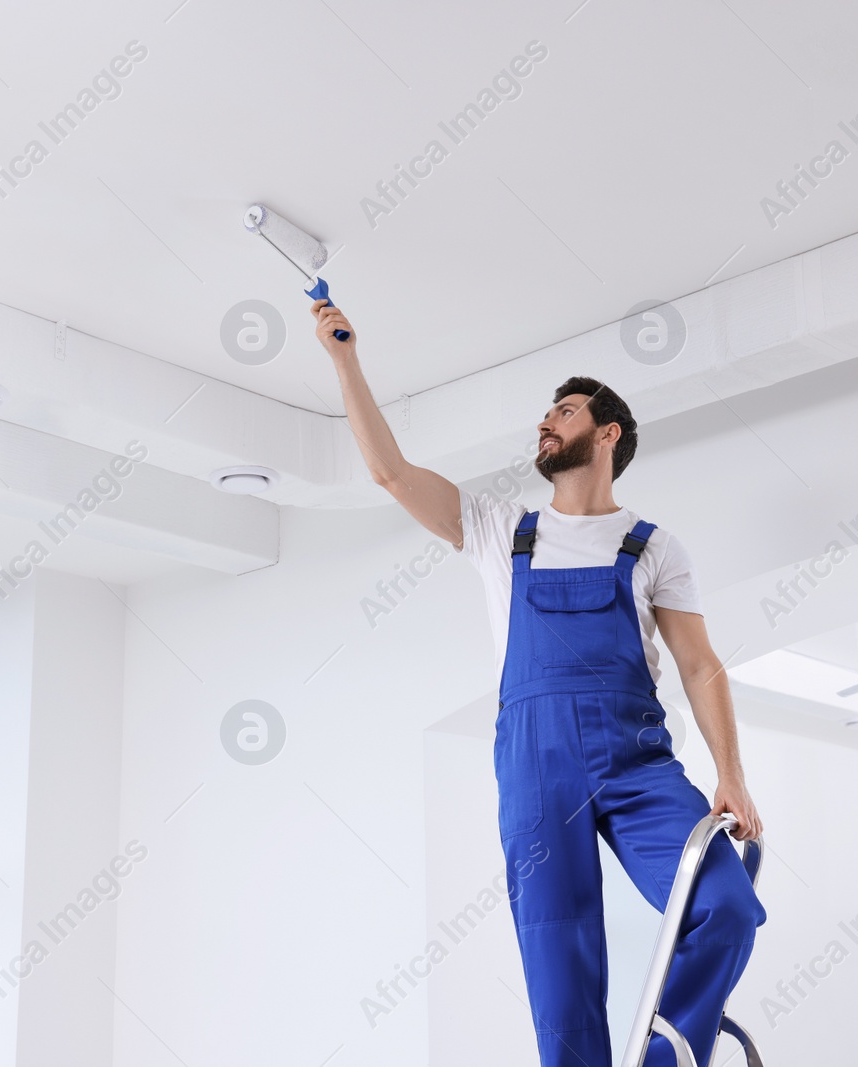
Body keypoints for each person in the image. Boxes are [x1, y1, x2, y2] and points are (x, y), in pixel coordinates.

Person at [314, 300, 765, 1067]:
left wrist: (731, 775)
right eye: (546, 413)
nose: (545, 423)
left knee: (725, 905)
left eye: (564, 410)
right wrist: (345, 360)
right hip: (535, 768)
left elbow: (699, 664)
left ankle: (669, 1055)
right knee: (561, 981)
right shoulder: (502, 530)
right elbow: (390, 471)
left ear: (607, 432)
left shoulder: (652, 546)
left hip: (636, 762)